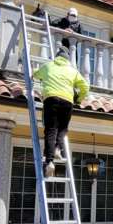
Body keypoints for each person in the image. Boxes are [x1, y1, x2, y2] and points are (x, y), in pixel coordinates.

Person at [32, 48, 89, 177]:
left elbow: (35, 75)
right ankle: (58, 148)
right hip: (67, 101)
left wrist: (32, 72)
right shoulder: (73, 71)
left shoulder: (48, 66)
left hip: (51, 99)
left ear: (57, 57)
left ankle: (50, 162)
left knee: (51, 129)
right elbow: (85, 87)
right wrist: (78, 99)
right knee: (63, 128)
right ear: (67, 59)